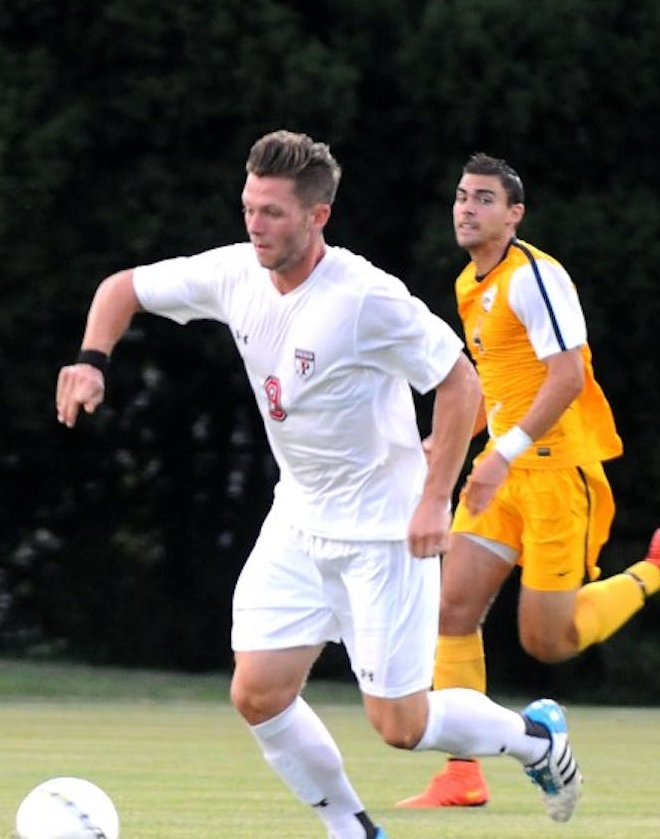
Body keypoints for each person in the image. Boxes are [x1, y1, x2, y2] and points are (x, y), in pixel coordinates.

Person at [56, 131, 586, 836]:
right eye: (249, 207)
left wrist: (435, 496)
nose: (255, 225)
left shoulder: (365, 298)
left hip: (384, 533)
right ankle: (353, 831)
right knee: (257, 693)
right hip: (299, 524)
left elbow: (460, 381)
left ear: (317, 217)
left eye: (273, 212)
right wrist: (92, 360)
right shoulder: (234, 271)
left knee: (402, 725)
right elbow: (122, 288)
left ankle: (537, 741)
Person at [396, 153, 660, 810]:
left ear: (514, 214)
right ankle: (463, 775)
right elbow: (497, 389)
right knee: (452, 610)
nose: (467, 208)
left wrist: (500, 455)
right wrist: (448, 444)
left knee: (547, 641)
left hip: (555, 475)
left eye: (485, 199)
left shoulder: (536, 276)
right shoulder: (470, 283)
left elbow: (568, 377)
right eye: (462, 196)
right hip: (502, 473)